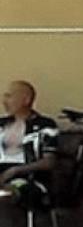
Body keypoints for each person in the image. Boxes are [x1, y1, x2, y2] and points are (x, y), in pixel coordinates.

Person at [0, 81, 59, 209]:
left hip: (28, 177)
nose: (4, 101)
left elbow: (49, 162)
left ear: (26, 100)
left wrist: (14, 171)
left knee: (9, 194)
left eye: (9, 96)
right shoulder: (1, 124)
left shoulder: (45, 125)